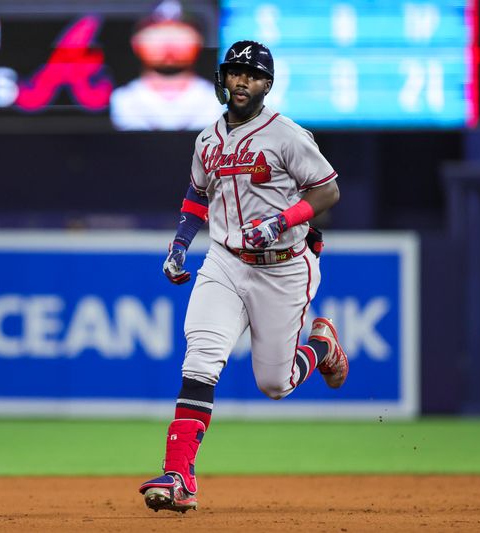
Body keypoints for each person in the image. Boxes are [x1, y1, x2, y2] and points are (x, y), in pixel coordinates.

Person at [138, 40, 349, 513]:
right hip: (225, 262)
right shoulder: (207, 139)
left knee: (275, 384)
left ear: (266, 86)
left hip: (283, 267)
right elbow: (197, 195)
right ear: (222, 77)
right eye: (234, 72)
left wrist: (282, 220)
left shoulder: (287, 135)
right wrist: (178, 243)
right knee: (201, 358)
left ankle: (322, 347)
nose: (241, 81)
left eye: (252, 75)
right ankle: (179, 476)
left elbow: (328, 190)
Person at [109, 0, 224, 131]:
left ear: (199, 41)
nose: (169, 44)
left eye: (180, 35)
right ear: (136, 43)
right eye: (156, 35)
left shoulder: (213, 100)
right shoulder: (124, 99)